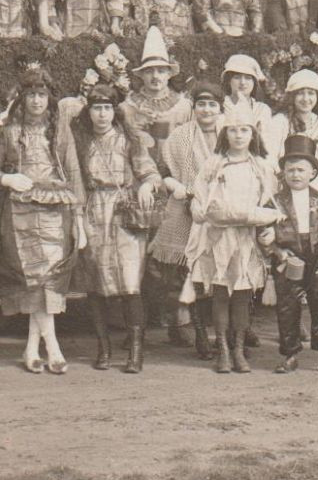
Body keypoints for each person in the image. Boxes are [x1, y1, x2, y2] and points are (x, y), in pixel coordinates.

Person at [0, 71, 84, 375]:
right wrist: (7, 178)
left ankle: (31, 349)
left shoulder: (60, 130)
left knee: (49, 280)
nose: (37, 101)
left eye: (42, 95)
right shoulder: (8, 131)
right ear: (22, 99)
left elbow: (74, 171)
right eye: (31, 95)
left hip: (56, 211)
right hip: (20, 213)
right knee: (34, 280)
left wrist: (80, 218)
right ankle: (53, 348)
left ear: (49, 99)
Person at [68, 82, 161, 372]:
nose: (102, 114)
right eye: (97, 108)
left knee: (130, 283)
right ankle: (103, 348)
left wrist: (147, 184)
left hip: (124, 213)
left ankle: (135, 351)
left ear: (115, 111)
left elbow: (150, 172)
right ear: (89, 111)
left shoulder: (128, 140)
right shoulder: (80, 141)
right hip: (93, 210)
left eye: (108, 108)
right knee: (97, 283)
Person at [187, 101, 282, 374]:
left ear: (253, 135)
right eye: (233, 130)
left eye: (244, 130)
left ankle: (239, 348)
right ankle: (223, 350)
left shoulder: (261, 167)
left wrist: (258, 219)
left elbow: (271, 207)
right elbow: (205, 209)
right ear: (224, 134)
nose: (238, 135)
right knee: (220, 294)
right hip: (218, 240)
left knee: (242, 296)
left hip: (247, 241)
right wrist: (229, 214)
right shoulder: (214, 164)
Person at [122, 29, 194, 345]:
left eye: (161, 70)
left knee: (174, 254)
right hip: (139, 184)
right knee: (138, 254)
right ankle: (136, 326)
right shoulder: (127, 107)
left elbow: (188, 145)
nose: (155, 77)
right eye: (149, 71)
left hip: (174, 184)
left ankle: (178, 320)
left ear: (169, 73)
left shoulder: (182, 106)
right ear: (141, 75)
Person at [160, 82, 224, 360]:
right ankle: (199, 333)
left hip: (224, 211)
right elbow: (165, 171)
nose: (206, 110)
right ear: (194, 108)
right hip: (190, 210)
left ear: (221, 108)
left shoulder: (231, 134)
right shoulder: (181, 137)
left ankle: (229, 335)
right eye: (201, 104)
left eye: (212, 104)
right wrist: (179, 187)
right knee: (193, 273)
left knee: (225, 272)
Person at [267, 134, 318, 374]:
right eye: (290, 170)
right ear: (283, 173)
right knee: (287, 306)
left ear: (312, 173)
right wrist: (278, 252)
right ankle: (290, 354)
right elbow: (264, 232)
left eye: (301, 170)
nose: (296, 175)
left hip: (317, 257)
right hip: (289, 258)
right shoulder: (275, 202)